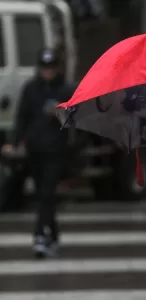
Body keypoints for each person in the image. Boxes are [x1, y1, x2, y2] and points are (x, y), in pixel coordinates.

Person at [1, 48, 75, 258]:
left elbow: (76, 119)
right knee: (43, 194)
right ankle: (53, 234)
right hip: (35, 150)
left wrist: (60, 114)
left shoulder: (66, 89)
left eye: (51, 68)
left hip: (56, 150)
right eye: (45, 68)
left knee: (47, 193)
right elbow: (22, 116)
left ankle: (39, 235)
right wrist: (14, 142)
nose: (48, 73)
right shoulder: (31, 89)